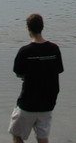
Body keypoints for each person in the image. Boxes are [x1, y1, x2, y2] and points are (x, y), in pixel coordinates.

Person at [8, 13, 64, 143]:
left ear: (28, 29)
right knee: (42, 137)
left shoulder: (24, 51)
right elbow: (58, 70)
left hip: (28, 102)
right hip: (48, 102)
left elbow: (18, 73)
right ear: (42, 27)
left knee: (17, 135)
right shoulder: (54, 49)